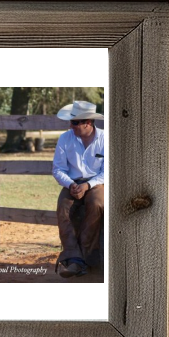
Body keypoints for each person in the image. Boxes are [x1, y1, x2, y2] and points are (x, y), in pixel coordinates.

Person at [52, 100, 104, 278]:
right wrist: (72, 185)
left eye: (75, 122)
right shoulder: (65, 138)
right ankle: (73, 257)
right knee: (63, 206)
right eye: (71, 121)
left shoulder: (105, 139)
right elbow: (58, 169)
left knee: (97, 204)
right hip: (72, 182)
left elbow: (108, 171)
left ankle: (85, 256)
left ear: (87, 123)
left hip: (96, 182)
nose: (71, 125)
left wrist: (87, 185)